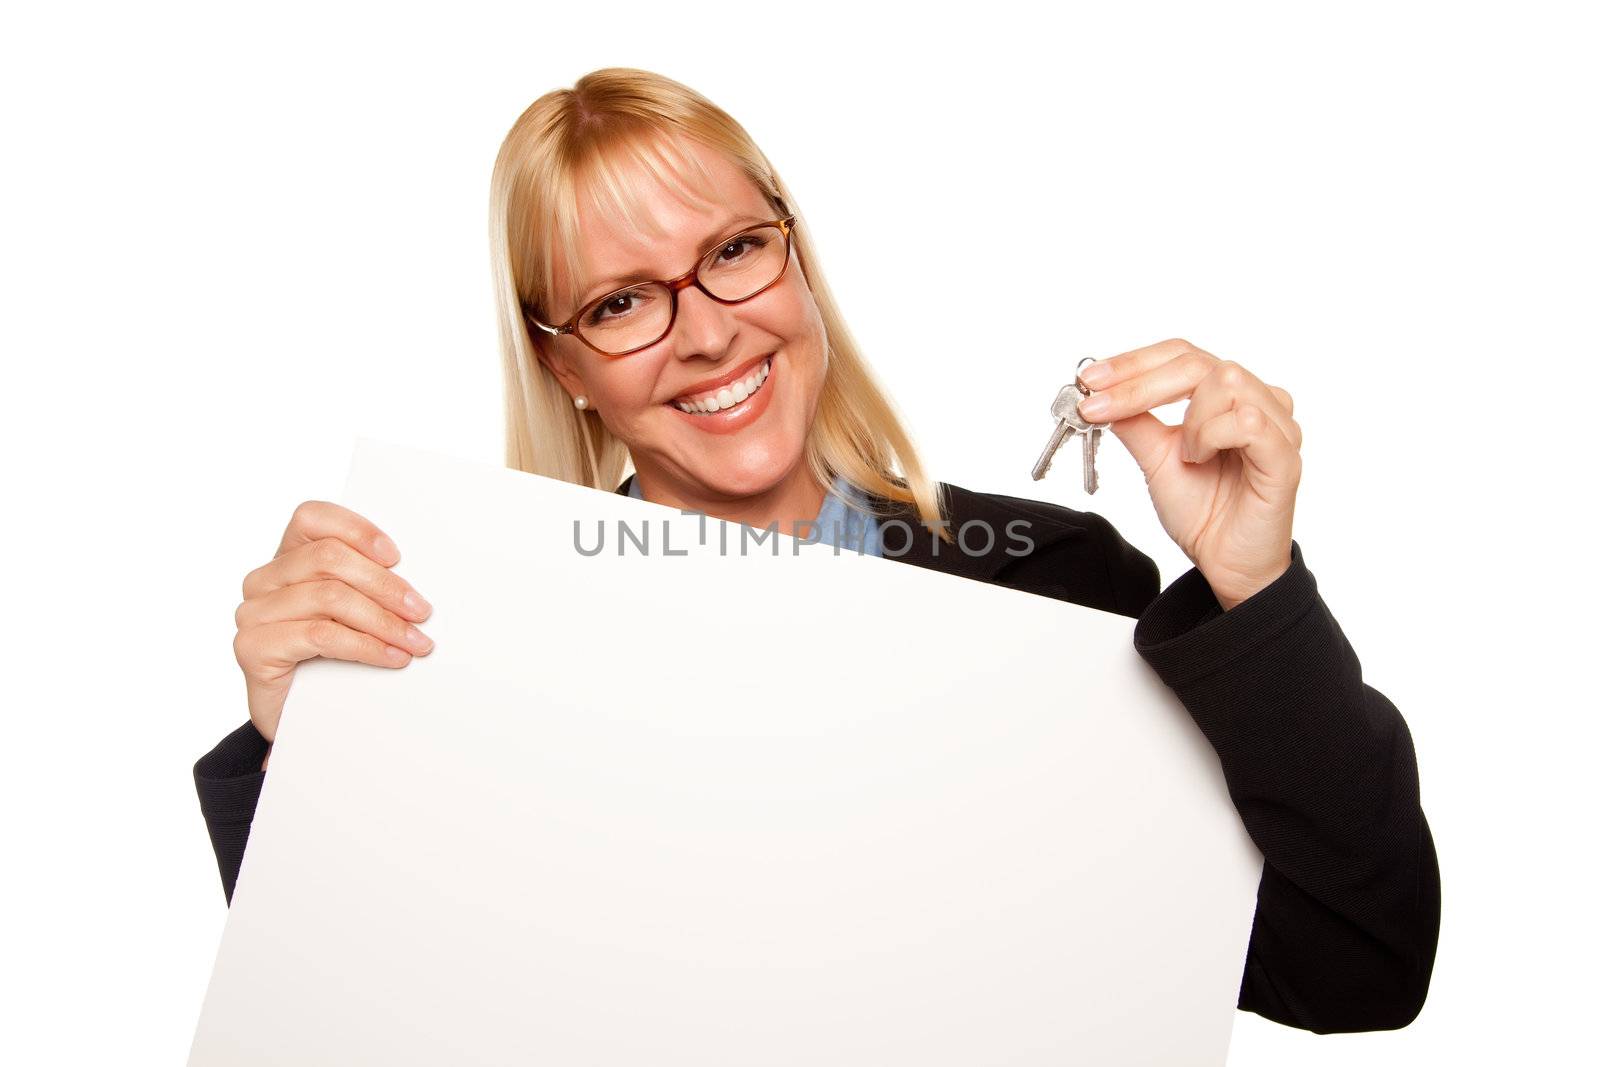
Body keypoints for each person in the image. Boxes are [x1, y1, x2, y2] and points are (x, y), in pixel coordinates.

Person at [195, 67, 1440, 1036]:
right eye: (622, 301)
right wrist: (303, 752)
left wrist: (1254, 592)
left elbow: (1354, 965)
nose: (706, 333)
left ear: (794, 259)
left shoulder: (1055, 587)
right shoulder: (460, 639)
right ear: (563, 364)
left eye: (733, 251)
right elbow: (365, 1020)